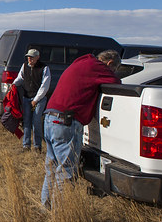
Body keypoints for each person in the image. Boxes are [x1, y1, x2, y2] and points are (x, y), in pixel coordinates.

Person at [41, 49, 121, 207]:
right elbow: (116, 83)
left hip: (50, 118)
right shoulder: (98, 67)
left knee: (52, 167)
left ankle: (46, 206)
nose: (112, 72)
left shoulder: (82, 62)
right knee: (66, 171)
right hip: (65, 122)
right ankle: (60, 213)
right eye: (114, 68)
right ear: (110, 63)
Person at [13, 49, 51, 152]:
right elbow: (20, 78)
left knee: (36, 121)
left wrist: (36, 100)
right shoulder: (25, 66)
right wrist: (14, 84)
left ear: (37, 57)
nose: (29, 59)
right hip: (26, 97)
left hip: (39, 99)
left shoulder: (44, 68)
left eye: (32, 57)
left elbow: (45, 86)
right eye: (28, 57)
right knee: (26, 121)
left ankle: (37, 146)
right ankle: (26, 145)